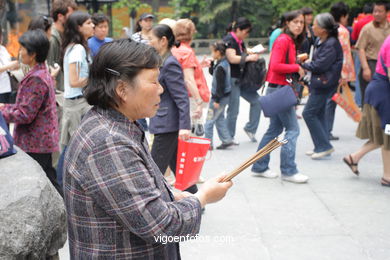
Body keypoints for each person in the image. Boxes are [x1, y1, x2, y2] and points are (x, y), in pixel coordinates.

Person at [63, 38, 233, 258]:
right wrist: (202, 197)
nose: (161, 89)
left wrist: (171, 195)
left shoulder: (116, 123)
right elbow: (162, 227)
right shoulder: (108, 143)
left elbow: (132, 194)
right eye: (154, 82)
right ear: (122, 89)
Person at [0, 30, 61, 195]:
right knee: (50, 182)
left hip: (35, 143)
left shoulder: (36, 78)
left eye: (22, 49)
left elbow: (24, 114)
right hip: (41, 142)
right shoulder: (40, 73)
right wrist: (5, 106)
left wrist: (2, 110)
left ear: (33, 54)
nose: (19, 52)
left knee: (41, 187)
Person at [251, 10, 308, 183]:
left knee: (274, 130)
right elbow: (275, 65)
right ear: (287, 23)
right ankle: (289, 170)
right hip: (279, 91)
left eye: (301, 22)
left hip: (277, 89)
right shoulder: (283, 40)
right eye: (295, 22)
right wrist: (296, 68)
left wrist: (295, 62)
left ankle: (260, 166)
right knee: (293, 129)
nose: (299, 25)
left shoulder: (289, 40)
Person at [148, 24, 196, 193]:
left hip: (167, 124)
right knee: (177, 166)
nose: (148, 43)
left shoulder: (170, 63)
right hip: (165, 122)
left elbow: (181, 97)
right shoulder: (163, 61)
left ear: (163, 41)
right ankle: (196, 197)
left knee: (154, 170)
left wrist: (184, 126)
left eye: (150, 39)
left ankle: (151, 204)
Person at [343, 34, 390, 187]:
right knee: (388, 134)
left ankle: (354, 157)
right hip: (383, 96)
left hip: (381, 94)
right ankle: (387, 176)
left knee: (384, 134)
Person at [57, 11, 94, 187]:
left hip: (77, 102)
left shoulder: (77, 47)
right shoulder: (77, 49)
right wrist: (97, 77)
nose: (92, 26)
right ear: (79, 27)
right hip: (77, 103)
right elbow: (74, 80)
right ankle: (63, 184)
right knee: (72, 148)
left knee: (72, 147)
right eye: (88, 23)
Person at [301, 13, 343, 160]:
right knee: (318, 113)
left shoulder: (330, 44)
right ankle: (321, 145)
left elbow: (319, 65)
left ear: (324, 29)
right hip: (321, 82)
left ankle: (324, 146)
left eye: (315, 25)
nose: (313, 27)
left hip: (323, 83)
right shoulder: (323, 40)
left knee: (308, 113)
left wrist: (301, 64)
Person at [223, 17, 261, 143]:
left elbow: (242, 53)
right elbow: (232, 58)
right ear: (238, 29)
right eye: (246, 31)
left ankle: (250, 128)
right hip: (232, 78)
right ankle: (229, 137)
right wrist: (249, 58)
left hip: (243, 78)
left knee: (257, 101)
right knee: (233, 109)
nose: (247, 34)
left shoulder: (239, 41)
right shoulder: (229, 39)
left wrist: (252, 53)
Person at [172, 19, 210, 134]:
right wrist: (198, 102)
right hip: (190, 98)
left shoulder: (174, 49)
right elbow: (188, 79)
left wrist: (199, 65)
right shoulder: (186, 52)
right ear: (191, 33)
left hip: (178, 96)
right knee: (193, 134)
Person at [327, 2, 356, 141]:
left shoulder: (327, 29)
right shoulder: (343, 31)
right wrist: (343, 74)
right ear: (343, 16)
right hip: (336, 71)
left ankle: (324, 130)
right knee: (331, 101)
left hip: (326, 69)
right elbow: (343, 54)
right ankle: (326, 131)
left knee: (327, 100)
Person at [355, 2, 390, 105]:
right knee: (369, 101)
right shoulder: (367, 28)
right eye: (375, 11)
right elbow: (361, 49)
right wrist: (365, 68)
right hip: (372, 65)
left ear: (387, 12)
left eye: (380, 11)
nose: (377, 14)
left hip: (386, 66)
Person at [204, 41, 233, 150]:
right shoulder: (223, 63)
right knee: (219, 118)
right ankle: (226, 140)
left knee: (209, 120)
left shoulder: (221, 66)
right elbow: (213, 73)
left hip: (218, 98)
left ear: (218, 52)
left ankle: (208, 143)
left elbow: (220, 85)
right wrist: (211, 64)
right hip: (224, 97)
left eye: (212, 52)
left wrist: (216, 100)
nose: (212, 54)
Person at [131, 13, 155, 131]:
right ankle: (142, 128)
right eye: (146, 20)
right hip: (139, 70)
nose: (148, 23)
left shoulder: (156, 35)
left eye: (150, 20)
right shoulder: (135, 37)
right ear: (140, 22)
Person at [47, 0, 77, 92]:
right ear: (60, 16)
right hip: (59, 92)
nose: (74, 19)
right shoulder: (52, 38)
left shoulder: (66, 34)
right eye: (71, 16)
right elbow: (50, 68)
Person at [351, 3, 373, 107]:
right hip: (375, 54)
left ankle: (360, 101)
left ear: (363, 12)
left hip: (360, 51)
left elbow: (354, 37)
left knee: (359, 77)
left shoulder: (359, 22)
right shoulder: (379, 22)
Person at [0, 25, 19, 104]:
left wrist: (16, 65)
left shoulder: (3, 49)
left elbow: (9, 65)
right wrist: (11, 65)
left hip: (8, 88)